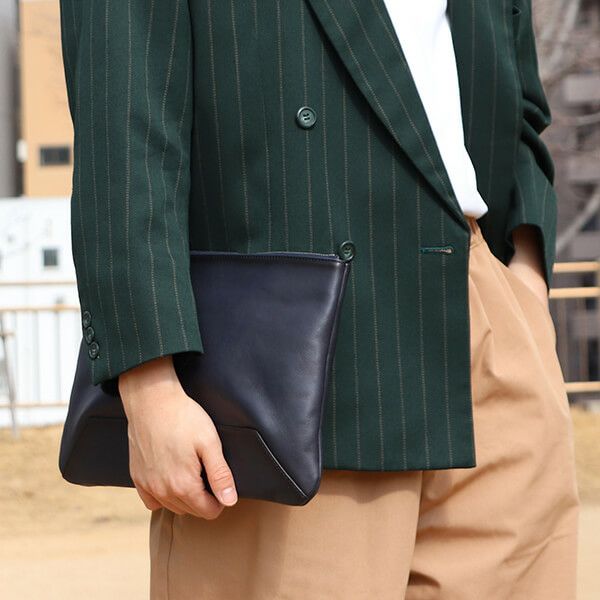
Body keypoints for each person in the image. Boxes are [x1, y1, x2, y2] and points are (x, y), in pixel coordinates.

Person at [58, 0, 579, 598]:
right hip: (292, 350)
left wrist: (526, 279)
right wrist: (148, 384)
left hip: (486, 307)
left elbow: (519, 100)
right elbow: (124, 118)